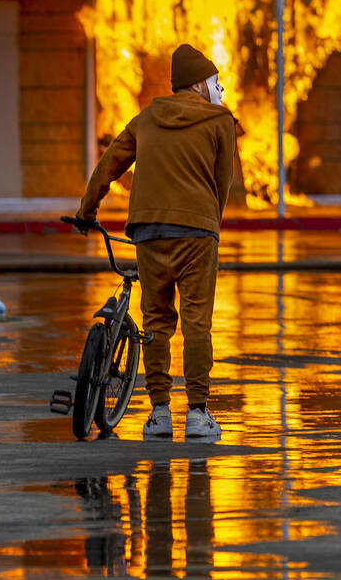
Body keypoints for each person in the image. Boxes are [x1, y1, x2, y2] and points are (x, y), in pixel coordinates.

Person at [75, 43, 237, 439]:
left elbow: (111, 162)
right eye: (216, 82)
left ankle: (159, 413)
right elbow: (223, 182)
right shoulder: (220, 121)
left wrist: (87, 211)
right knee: (197, 322)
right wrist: (207, 223)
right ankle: (198, 414)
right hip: (197, 233)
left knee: (156, 322)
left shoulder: (146, 118)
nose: (219, 89)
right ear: (199, 84)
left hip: (148, 231)